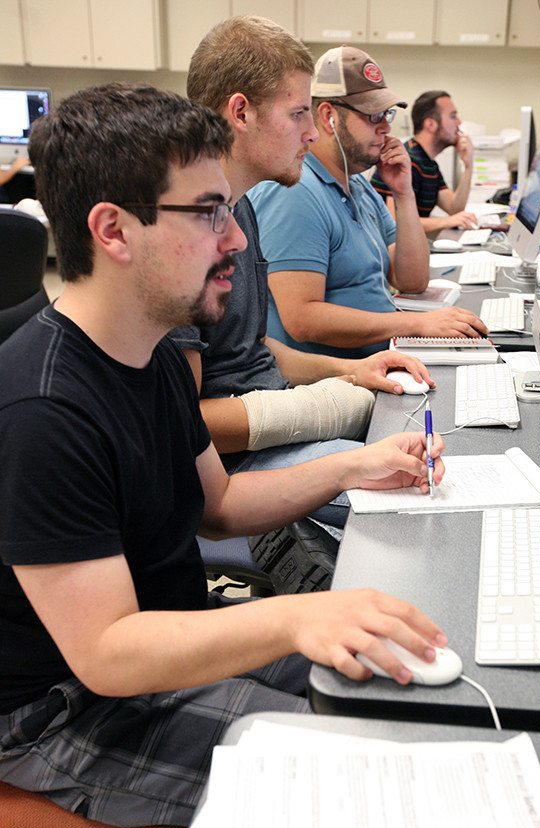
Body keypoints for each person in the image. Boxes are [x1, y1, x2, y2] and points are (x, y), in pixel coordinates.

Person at [0, 83, 449, 828]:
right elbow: (107, 652)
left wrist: (352, 468)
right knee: (364, 790)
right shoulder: (44, 410)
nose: (235, 238)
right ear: (113, 230)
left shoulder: (147, 351)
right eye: (209, 213)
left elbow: (218, 506)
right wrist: (295, 620)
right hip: (65, 710)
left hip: (160, 634)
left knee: (394, 688)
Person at [175, 18, 437, 590]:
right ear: (240, 114)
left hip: (272, 421)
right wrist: (325, 412)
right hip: (238, 463)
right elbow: (181, 426)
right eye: (298, 115)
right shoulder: (186, 240)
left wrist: (353, 372)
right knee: (426, 503)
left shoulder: (238, 211)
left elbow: (252, 344)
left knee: (429, 470)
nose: (308, 133)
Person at [249, 45, 488, 360]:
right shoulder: (295, 192)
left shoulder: (358, 184)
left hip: (379, 359)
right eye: (373, 116)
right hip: (335, 382)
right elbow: (301, 320)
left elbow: (411, 280)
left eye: (387, 114)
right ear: (328, 117)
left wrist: (404, 193)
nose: (386, 128)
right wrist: (415, 324)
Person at [370, 90, 478, 234]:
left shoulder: (428, 163)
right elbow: (396, 223)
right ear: (431, 124)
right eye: (453, 116)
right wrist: (447, 221)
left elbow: (454, 208)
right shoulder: (408, 160)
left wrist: (468, 166)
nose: (459, 122)